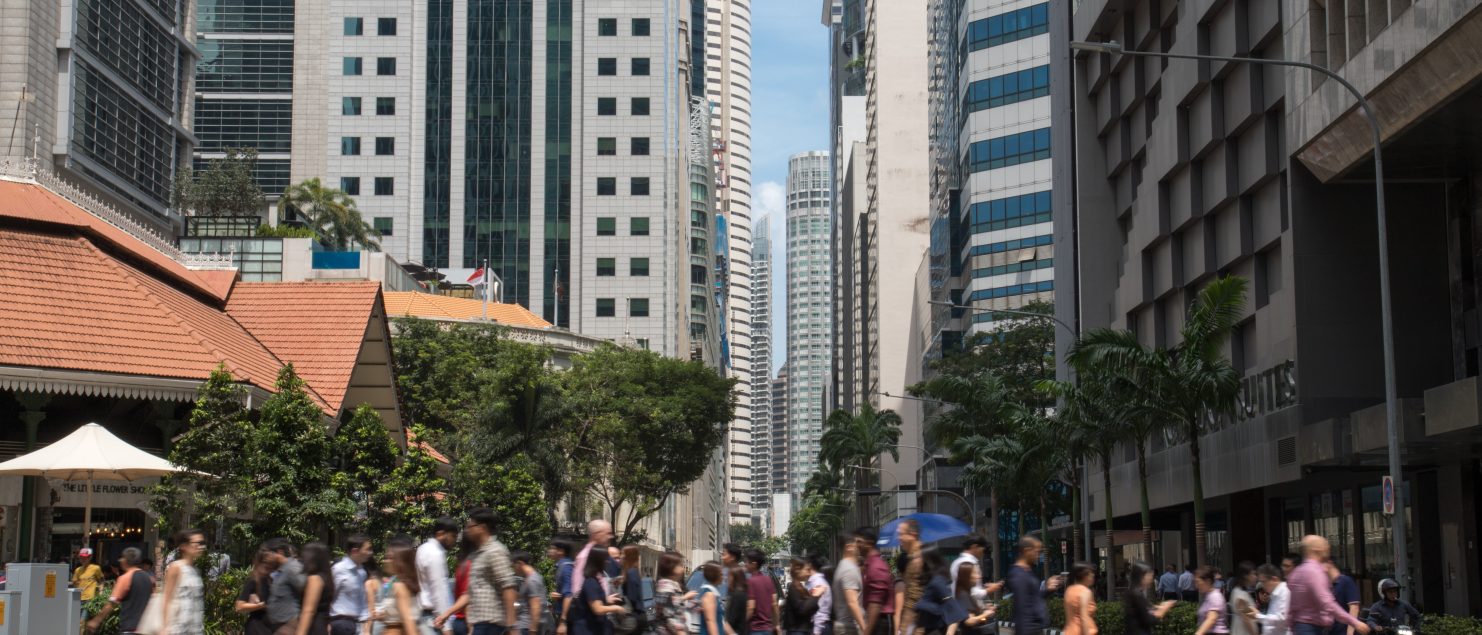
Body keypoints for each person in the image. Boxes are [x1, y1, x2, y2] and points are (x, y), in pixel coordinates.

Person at [440, 508, 519, 635]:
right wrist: (447, 614)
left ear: (482, 527)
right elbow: (469, 593)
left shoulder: (495, 551)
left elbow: (508, 587)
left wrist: (512, 625)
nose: (467, 530)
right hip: (480, 624)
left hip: (492, 624)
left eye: (470, 526)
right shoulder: (476, 556)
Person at [1288, 537, 1369, 635]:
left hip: (1301, 628)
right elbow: (1327, 603)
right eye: (1325, 545)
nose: (1328, 548)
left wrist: (1292, 629)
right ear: (1317, 549)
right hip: (1312, 629)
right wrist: (1355, 622)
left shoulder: (1296, 572)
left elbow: (1291, 609)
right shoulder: (1315, 571)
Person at [562, 520, 615, 635]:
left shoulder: (595, 554)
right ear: (597, 534)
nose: (611, 536)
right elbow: (577, 590)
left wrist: (606, 599)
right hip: (588, 623)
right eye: (608, 533)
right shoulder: (586, 556)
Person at [85, 546, 155, 635]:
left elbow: (112, 603)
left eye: (121, 558)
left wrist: (96, 620)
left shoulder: (125, 578)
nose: (119, 560)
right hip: (145, 628)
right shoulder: (149, 579)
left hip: (129, 629)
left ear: (126, 560)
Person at [1005, 536, 1061, 635]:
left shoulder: (1027, 571)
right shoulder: (1018, 574)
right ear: (1027, 551)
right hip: (1028, 630)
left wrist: (1048, 590)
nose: (1038, 556)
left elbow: (1033, 598)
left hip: (1035, 629)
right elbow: (1022, 608)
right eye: (1037, 552)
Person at [159, 528, 207, 635]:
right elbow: (167, 598)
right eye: (198, 543)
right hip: (177, 628)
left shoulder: (195, 570)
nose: (202, 547)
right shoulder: (175, 567)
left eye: (203, 543)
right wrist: (165, 627)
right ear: (184, 546)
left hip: (195, 629)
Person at [569, 548, 627, 635]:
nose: (607, 562)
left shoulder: (595, 579)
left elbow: (593, 599)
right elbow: (597, 609)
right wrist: (617, 608)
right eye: (605, 559)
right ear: (598, 560)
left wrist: (607, 599)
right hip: (588, 629)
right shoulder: (591, 581)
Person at [421, 518, 461, 635]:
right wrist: (447, 628)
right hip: (435, 619)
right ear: (440, 534)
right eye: (453, 536)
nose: (454, 541)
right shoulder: (435, 554)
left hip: (427, 617)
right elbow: (439, 592)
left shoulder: (423, 549)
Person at [852, 528, 894, 635]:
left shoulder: (876, 567)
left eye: (859, 542)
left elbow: (875, 604)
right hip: (875, 620)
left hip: (880, 621)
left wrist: (867, 632)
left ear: (869, 543)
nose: (856, 545)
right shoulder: (869, 565)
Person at [378, 541, 425, 635]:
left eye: (390, 558)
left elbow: (407, 620)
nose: (385, 561)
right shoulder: (400, 583)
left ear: (400, 562)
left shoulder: (399, 586)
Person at [332, 534, 374, 635]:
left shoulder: (362, 572)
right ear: (355, 551)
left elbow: (362, 601)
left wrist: (366, 628)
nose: (370, 553)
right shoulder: (339, 569)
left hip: (356, 625)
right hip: (340, 625)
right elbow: (329, 596)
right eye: (367, 549)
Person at [907, 548, 955, 635]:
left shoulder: (937, 582)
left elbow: (953, 609)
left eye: (918, 557)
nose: (914, 561)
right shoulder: (927, 582)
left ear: (927, 561)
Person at [265, 538, 306, 633]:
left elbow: (307, 593)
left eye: (270, 554)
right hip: (280, 627)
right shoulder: (281, 570)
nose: (267, 558)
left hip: (289, 626)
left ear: (279, 552)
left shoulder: (293, 568)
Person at [1122, 561, 1176, 635]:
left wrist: (1158, 607)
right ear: (1142, 576)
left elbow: (1145, 609)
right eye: (1149, 575)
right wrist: (1163, 609)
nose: (1151, 578)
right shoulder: (1136, 594)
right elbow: (1149, 619)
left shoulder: (1136, 592)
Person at [232, 548, 276, 635]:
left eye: (272, 562)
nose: (269, 566)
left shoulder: (273, 579)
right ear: (259, 563)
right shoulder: (254, 580)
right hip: (257, 628)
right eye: (266, 562)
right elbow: (239, 606)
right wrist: (261, 605)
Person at [894, 520, 923, 635]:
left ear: (913, 535)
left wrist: (904, 629)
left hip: (920, 627)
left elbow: (913, 601)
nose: (899, 538)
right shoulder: (913, 559)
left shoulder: (918, 560)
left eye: (901, 534)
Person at [651, 552, 692, 635]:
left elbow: (676, 606)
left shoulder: (673, 585)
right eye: (680, 565)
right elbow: (669, 615)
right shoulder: (666, 587)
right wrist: (680, 632)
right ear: (670, 567)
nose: (683, 569)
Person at [832, 541, 866, 635]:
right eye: (857, 543)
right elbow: (852, 602)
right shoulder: (849, 570)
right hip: (849, 628)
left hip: (846, 625)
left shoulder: (842, 566)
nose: (860, 545)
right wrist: (864, 628)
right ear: (849, 547)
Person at [952, 562, 995, 635]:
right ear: (966, 576)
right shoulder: (963, 595)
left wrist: (984, 609)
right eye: (975, 573)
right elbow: (969, 621)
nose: (979, 577)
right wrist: (985, 614)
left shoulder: (965, 592)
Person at [1246, 564, 1290, 635]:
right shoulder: (1274, 593)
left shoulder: (1285, 592)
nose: (1262, 586)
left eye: (1263, 582)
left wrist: (1258, 615)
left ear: (1274, 579)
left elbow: (1282, 619)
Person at [782, 557, 821, 635]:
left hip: (802, 630)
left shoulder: (800, 587)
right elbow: (802, 609)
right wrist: (815, 596)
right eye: (807, 570)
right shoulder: (793, 588)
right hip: (797, 630)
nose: (809, 573)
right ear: (798, 570)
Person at [512, 551, 547, 635]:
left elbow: (536, 606)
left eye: (513, 566)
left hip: (526, 626)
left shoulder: (532, 580)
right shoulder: (531, 578)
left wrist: (533, 630)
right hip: (526, 625)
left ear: (520, 563)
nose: (513, 569)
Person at [744, 549, 778, 635]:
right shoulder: (768, 580)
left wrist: (741, 623)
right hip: (768, 629)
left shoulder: (751, 581)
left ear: (754, 564)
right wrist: (776, 625)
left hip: (755, 629)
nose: (745, 564)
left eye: (747, 562)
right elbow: (774, 603)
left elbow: (751, 607)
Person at [1061, 563, 1097, 635]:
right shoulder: (1085, 592)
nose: (1093, 576)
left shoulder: (1069, 590)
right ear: (1084, 576)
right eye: (1091, 574)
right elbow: (1084, 617)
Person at [1326, 563, 1361, 635]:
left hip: (1343, 630)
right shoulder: (1324, 584)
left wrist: (1350, 632)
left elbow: (1354, 607)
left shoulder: (1345, 581)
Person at [1192, 566, 1228, 635]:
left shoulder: (1215, 596)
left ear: (1208, 581)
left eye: (1197, 582)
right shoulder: (1209, 596)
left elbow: (1211, 619)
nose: (1196, 585)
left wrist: (1198, 633)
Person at [696, 562, 730, 635]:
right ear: (714, 575)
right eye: (721, 574)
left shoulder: (714, 594)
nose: (724, 577)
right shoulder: (709, 595)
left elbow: (721, 620)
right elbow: (710, 621)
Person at [618, 546, 645, 632]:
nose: (620, 556)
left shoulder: (631, 573)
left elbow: (631, 597)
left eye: (622, 554)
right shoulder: (634, 572)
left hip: (634, 616)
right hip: (638, 615)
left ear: (628, 557)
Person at [1226, 563, 1258, 635]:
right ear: (1245, 576)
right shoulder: (1240, 594)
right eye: (1253, 574)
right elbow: (1246, 618)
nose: (1256, 577)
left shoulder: (1241, 592)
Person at [548, 541, 575, 626]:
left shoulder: (566, 567)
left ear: (561, 551)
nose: (549, 551)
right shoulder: (561, 566)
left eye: (552, 548)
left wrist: (563, 621)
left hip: (567, 617)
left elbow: (569, 595)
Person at [808, 556, 832, 635]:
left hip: (819, 626)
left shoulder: (817, 583)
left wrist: (816, 631)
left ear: (810, 565)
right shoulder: (816, 581)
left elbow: (819, 609)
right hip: (820, 625)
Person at [726, 566, 751, 635]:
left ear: (735, 578)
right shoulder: (745, 593)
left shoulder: (737, 595)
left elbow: (731, 619)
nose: (727, 579)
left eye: (729, 577)